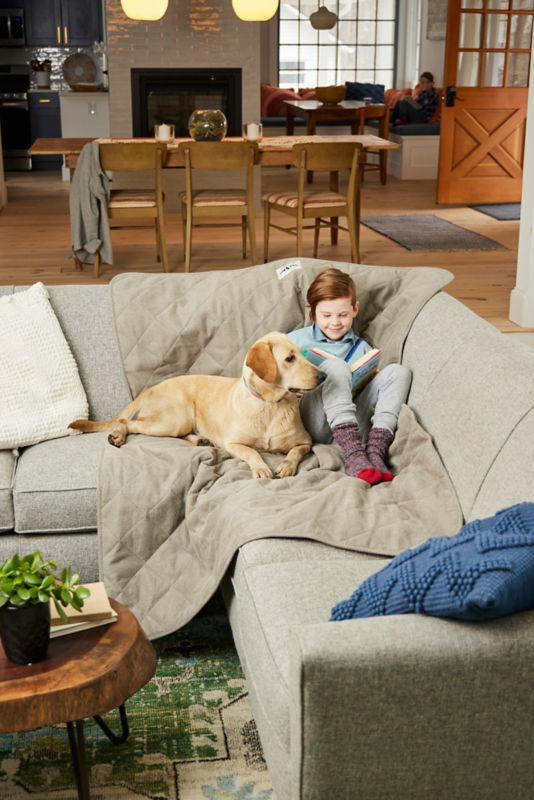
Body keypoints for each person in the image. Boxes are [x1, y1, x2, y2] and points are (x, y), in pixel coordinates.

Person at [286, 267, 411, 485]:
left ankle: (375, 452)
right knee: (335, 367)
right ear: (312, 311)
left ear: (355, 309)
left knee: (398, 372)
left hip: (352, 425)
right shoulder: (293, 342)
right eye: (326, 315)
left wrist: (370, 382)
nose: (335, 322)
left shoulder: (363, 348)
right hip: (311, 422)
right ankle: (354, 455)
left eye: (343, 315)